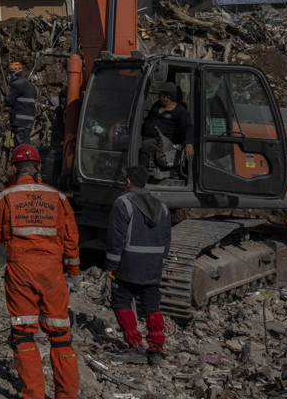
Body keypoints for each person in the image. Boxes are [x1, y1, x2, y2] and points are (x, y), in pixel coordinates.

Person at [0, 144, 81, 399]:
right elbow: (71, 239)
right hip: (52, 273)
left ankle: (34, 395)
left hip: (20, 273)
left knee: (23, 333)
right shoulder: (57, 197)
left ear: (14, 168)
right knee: (60, 334)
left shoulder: (5, 196)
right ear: (39, 167)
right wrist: (74, 274)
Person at [107, 165, 172, 367]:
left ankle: (135, 346)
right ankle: (156, 351)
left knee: (120, 302)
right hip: (152, 266)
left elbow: (116, 238)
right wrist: (160, 262)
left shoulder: (123, 203)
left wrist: (111, 266)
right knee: (152, 305)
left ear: (128, 182)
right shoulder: (162, 206)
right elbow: (167, 239)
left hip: (128, 265)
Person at [142, 84, 192, 176]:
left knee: (146, 145)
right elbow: (148, 121)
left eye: (160, 95)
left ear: (167, 97)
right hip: (149, 135)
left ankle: (142, 174)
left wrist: (189, 143)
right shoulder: (157, 106)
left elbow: (187, 127)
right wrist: (156, 114)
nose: (158, 97)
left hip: (166, 142)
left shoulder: (180, 112)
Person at [5, 62, 37, 147]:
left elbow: (10, 101)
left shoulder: (16, 84)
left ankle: (26, 160)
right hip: (29, 121)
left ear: (13, 74)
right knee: (25, 142)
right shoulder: (30, 85)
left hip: (20, 121)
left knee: (22, 147)